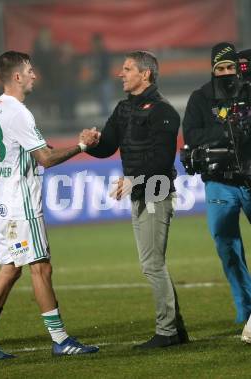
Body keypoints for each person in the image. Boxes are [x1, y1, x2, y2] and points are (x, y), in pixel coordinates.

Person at [0, 51, 100, 359]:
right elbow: (46, 159)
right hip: (20, 203)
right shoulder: (18, 112)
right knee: (40, 267)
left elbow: (28, 149)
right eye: (29, 70)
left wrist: (62, 145)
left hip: (0, 202)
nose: (34, 75)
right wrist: (82, 146)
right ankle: (60, 339)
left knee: (11, 267)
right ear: (16, 76)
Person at [85, 51, 189, 349]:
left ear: (146, 75)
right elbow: (107, 146)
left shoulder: (163, 110)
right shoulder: (123, 109)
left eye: (127, 69)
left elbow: (162, 158)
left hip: (157, 189)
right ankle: (176, 330)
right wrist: (87, 144)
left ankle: (167, 331)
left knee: (152, 264)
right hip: (142, 190)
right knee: (153, 262)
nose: (121, 73)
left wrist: (133, 179)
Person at [182, 42, 251, 342]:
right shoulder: (200, 98)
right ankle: (245, 309)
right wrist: (227, 131)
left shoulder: (249, 92)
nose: (225, 73)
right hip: (219, 182)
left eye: (230, 68)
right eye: (219, 69)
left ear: (239, 67)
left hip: (249, 178)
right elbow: (191, 135)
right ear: (212, 70)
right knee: (227, 247)